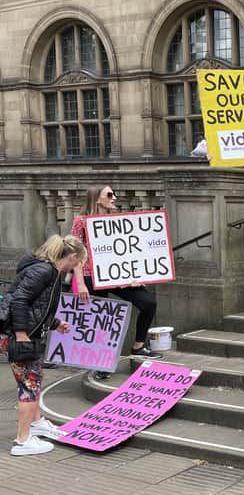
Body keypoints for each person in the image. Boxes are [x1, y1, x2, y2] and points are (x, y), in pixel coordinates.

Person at [2, 235, 85, 455]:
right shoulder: (44, 271)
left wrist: (56, 323)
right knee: (29, 387)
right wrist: (21, 334)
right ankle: (23, 440)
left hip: (29, 333)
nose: (76, 268)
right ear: (73, 257)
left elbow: (39, 307)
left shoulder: (50, 272)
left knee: (33, 382)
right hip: (22, 335)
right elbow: (20, 300)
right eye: (78, 263)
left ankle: (36, 424)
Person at [71, 185, 163, 361]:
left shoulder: (116, 220)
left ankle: (138, 346)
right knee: (100, 319)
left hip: (116, 275)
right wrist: (80, 283)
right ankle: (99, 362)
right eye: (109, 194)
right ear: (97, 198)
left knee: (148, 303)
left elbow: (125, 252)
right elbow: (75, 254)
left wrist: (132, 275)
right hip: (91, 276)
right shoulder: (80, 221)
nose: (114, 198)